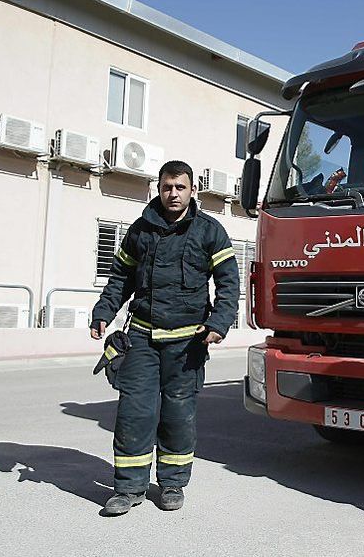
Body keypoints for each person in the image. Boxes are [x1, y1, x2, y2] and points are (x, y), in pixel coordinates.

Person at [90, 160, 240, 516]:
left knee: (178, 416)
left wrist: (219, 322)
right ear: (158, 189)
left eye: (180, 187)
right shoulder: (140, 231)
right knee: (134, 413)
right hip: (142, 337)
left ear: (192, 191)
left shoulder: (209, 231)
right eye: (167, 187)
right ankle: (128, 489)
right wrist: (103, 313)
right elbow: (120, 278)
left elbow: (229, 283)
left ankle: (172, 484)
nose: (173, 193)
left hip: (188, 344)